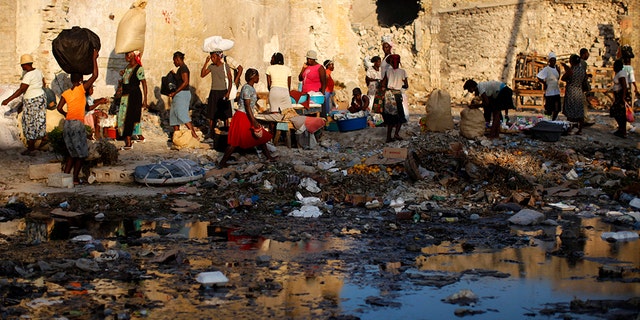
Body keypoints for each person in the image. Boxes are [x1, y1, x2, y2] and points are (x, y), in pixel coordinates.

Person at [56, 49, 99, 185]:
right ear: (80, 80)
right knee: (81, 154)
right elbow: (95, 75)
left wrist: (67, 115)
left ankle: (66, 177)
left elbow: (59, 108)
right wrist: (94, 58)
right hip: (76, 124)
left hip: (67, 124)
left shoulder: (66, 93)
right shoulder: (81, 90)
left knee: (71, 153)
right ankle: (74, 178)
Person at [218, 69, 276, 167]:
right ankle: (222, 162)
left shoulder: (250, 88)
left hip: (246, 115)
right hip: (242, 116)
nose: (258, 78)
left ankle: (269, 157)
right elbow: (247, 105)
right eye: (257, 76)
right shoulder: (247, 88)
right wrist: (253, 120)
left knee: (259, 136)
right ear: (252, 77)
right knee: (235, 141)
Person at [2, 54, 47, 156]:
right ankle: (44, 139)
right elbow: (44, 83)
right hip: (40, 98)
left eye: (22, 65)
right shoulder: (38, 71)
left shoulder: (28, 75)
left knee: (29, 122)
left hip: (32, 100)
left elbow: (22, 89)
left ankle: (31, 148)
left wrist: (8, 100)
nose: (22, 67)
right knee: (39, 120)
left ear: (24, 65)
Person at [116, 50, 148, 150]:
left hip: (134, 96)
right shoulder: (127, 68)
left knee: (130, 117)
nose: (126, 56)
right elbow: (124, 81)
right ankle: (137, 136)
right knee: (124, 116)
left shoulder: (139, 68)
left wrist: (145, 99)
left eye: (128, 54)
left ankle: (129, 141)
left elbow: (144, 83)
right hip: (125, 96)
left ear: (134, 55)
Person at [201, 51, 233, 136]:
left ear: (218, 57)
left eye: (213, 57)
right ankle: (211, 133)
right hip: (214, 92)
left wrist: (228, 93)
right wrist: (206, 62)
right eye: (211, 57)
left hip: (223, 91)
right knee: (212, 114)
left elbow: (230, 79)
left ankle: (227, 133)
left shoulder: (225, 66)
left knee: (226, 114)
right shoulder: (211, 66)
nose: (212, 59)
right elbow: (202, 74)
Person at [168, 51, 198, 139]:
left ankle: (194, 136)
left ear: (178, 59)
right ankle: (176, 136)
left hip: (182, 94)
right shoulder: (180, 69)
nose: (174, 62)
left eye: (174, 60)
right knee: (173, 115)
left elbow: (185, 82)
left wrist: (175, 92)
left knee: (182, 114)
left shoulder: (184, 68)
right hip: (178, 95)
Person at [380, 54, 408, 142]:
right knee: (400, 116)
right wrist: (400, 85)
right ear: (399, 62)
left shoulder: (388, 71)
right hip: (396, 95)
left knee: (390, 117)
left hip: (388, 95)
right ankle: (396, 134)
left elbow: (383, 84)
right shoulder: (403, 72)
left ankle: (388, 137)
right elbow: (406, 85)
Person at [561, 54, 587, 135]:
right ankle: (580, 130)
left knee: (570, 110)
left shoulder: (571, 70)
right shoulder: (582, 70)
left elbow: (563, 78)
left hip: (571, 90)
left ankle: (569, 128)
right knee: (579, 110)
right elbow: (584, 80)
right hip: (579, 91)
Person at [537, 52, 562, 120]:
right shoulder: (546, 69)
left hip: (556, 90)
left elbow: (557, 78)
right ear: (549, 61)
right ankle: (548, 121)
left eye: (554, 60)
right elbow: (539, 76)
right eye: (552, 60)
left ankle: (553, 120)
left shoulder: (556, 68)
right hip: (550, 91)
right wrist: (544, 83)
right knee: (549, 108)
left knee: (557, 108)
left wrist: (559, 72)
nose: (553, 61)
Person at [610, 59, 629, 138]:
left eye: (614, 66)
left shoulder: (621, 74)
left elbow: (624, 86)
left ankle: (622, 130)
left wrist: (623, 97)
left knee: (618, 112)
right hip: (619, 95)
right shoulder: (619, 73)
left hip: (621, 95)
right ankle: (621, 129)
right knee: (618, 112)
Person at [579, 48, 595, 126]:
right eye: (587, 53)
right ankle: (584, 119)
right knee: (583, 103)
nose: (588, 55)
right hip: (580, 86)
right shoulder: (583, 63)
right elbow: (582, 75)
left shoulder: (578, 62)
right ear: (584, 54)